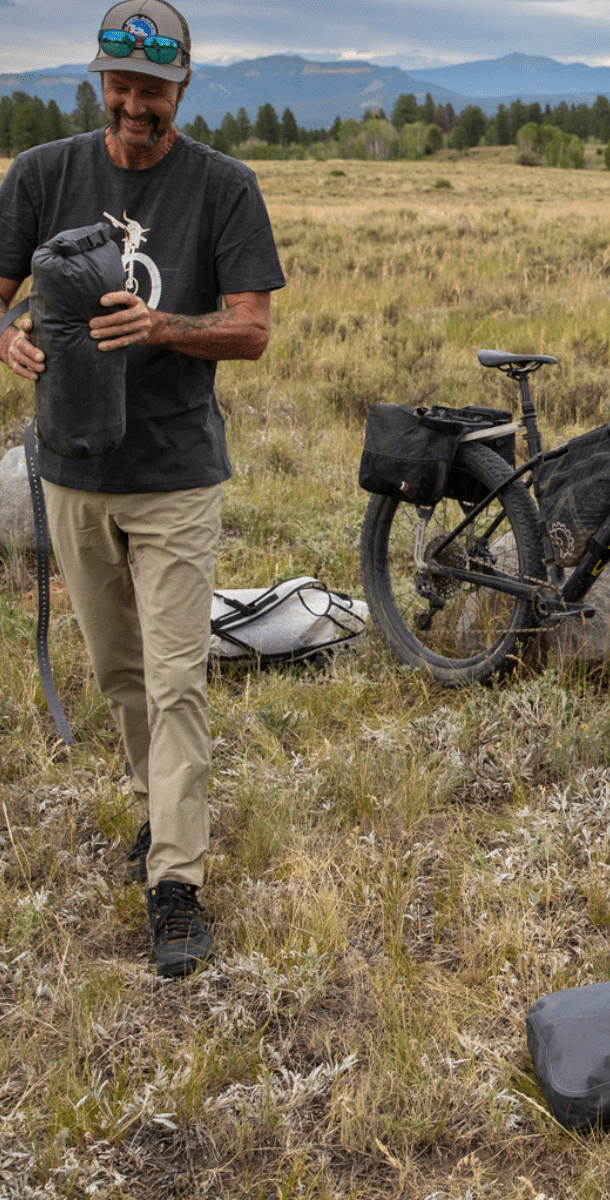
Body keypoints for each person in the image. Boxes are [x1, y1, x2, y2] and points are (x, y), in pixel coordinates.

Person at [0, 0, 285, 977]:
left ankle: (176, 884)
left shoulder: (223, 186)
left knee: (175, 680)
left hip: (174, 473)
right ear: (100, 80)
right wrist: (8, 337)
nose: (133, 105)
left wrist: (162, 328)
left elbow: (252, 329)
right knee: (121, 675)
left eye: (151, 90)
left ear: (183, 86)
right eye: (118, 86)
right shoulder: (42, 174)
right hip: (73, 469)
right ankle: (157, 811)